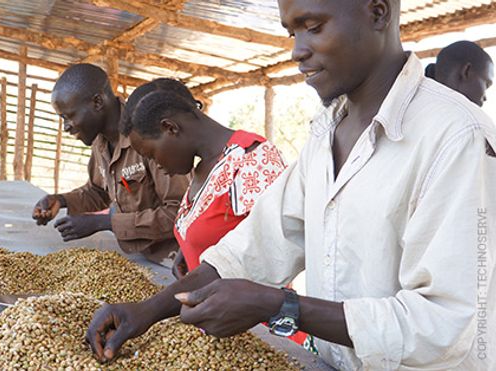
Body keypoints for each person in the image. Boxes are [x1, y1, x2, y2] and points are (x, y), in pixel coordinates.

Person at [86, 0, 495, 369]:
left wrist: (283, 305)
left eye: (313, 26)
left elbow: (443, 324)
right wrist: (147, 310)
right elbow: (254, 247)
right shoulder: (325, 136)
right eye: (292, 32)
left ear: (378, 12)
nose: (297, 50)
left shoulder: (458, 137)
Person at [120, 78, 286, 280]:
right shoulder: (202, 168)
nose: (155, 165)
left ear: (170, 128)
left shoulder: (252, 160)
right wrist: (189, 247)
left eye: (152, 155)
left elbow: (272, 258)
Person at [32, 64, 189, 267]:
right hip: (144, 257)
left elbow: (180, 214)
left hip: (177, 261)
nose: (66, 127)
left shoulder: (149, 134)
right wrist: (60, 200)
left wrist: (104, 222)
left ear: (97, 102)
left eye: (68, 116)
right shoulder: (100, 141)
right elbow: (99, 192)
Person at [425, 40, 493, 107]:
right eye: (486, 84)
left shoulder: (421, 109)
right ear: (466, 71)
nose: (485, 98)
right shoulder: (464, 117)